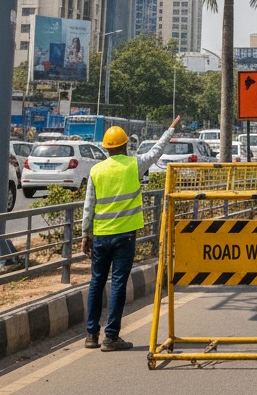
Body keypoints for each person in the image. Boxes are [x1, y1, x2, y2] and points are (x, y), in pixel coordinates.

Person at [82, 114, 180, 351]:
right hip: (124, 236)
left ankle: (91, 335)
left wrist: (85, 234)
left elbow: (89, 205)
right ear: (126, 145)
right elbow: (156, 152)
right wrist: (170, 130)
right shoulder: (134, 165)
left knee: (96, 283)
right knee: (117, 283)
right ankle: (111, 337)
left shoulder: (97, 170)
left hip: (101, 235)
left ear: (106, 148)